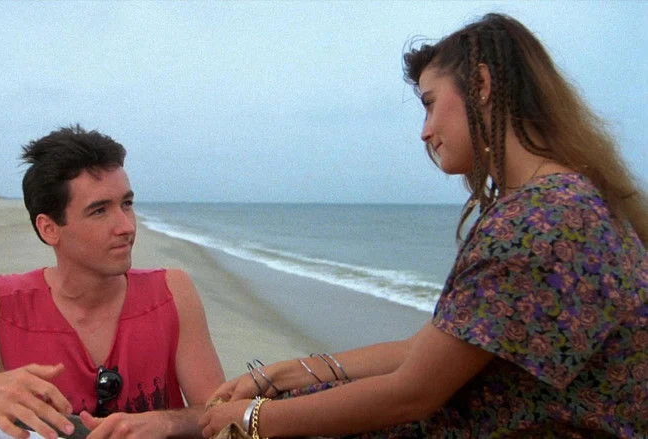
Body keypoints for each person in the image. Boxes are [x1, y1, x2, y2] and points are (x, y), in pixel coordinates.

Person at [200, 13, 646, 438]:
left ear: (481, 85)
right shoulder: (566, 200)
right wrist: (286, 374)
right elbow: (426, 350)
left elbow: (411, 394)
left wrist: (252, 419)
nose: (425, 131)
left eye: (430, 104)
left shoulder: (538, 222)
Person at [0, 125, 225, 439]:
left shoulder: (172, 292)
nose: (126, 226)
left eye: (127, 204)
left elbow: (221, 416)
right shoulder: (6, 303)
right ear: (49, 228)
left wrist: (164, 423)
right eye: (100, 210)